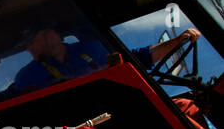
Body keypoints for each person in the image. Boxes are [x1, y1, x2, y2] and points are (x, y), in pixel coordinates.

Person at [13, 25, 201, 92]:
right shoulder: (27, 76)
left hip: (113, 110)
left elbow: (136, 59)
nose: (29, 48)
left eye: (31, 41)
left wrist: (178, 41)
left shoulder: (91, 48)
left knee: (185, 107)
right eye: (26, 45)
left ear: (50, 34)